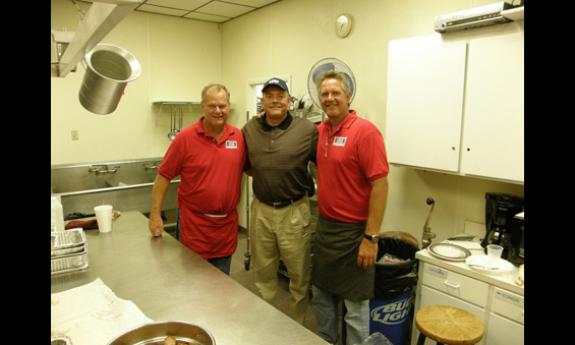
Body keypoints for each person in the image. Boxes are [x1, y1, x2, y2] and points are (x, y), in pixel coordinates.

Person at [311, 71, 390, 345]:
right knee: (321, 298)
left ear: (348, 96)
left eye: (336, 93)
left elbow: (380, 186)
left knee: (355, 311)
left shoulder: (365, 132)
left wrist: (371, 238)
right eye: (324, 94)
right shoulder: (320, 132)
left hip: (356, 234)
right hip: (326, 230)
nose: (330, 98)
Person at [242, 77, 318, 324]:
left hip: (294, 212)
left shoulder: (307, 129)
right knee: (263, 273)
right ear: (262, 101)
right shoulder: (249, 130)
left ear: (289, 100)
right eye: (269, 95)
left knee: (299, 276)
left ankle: (297, 328)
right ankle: (267, 327)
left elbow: (325, 165)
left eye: (280, 95)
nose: (275, 100)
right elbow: (249, 166)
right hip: (261, 210)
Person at [148, 84, 246, 275]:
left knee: (221, 283)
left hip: (225, 228)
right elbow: (163, 176)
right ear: (203, 106)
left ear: (228, 107)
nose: (218, 111)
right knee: (192, 286)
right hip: (194, 226)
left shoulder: (239, 137)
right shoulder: (185, 138)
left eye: (222, 106)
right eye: (212, 106)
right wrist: (155, 214)